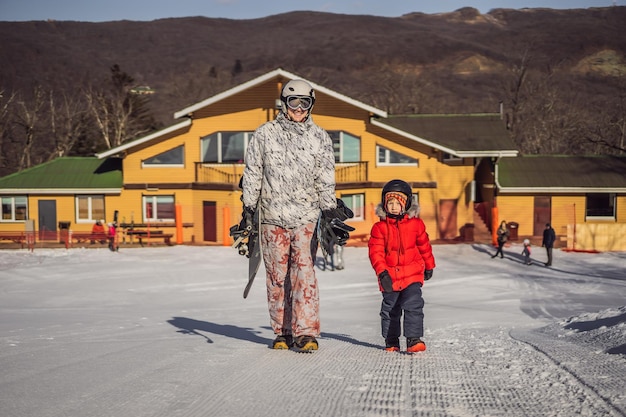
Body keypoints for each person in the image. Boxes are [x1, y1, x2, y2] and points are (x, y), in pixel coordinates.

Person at [241, 79, 344, 352]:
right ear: (284, 104)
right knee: (277, 275)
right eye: (293, 102)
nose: (298, 108)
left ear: (311, 105)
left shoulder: (319, 137)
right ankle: (282, 332)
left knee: (304, 274)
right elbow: (252, 172)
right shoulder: (265, 134)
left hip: (306, 216)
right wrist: (249, 207)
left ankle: (306, 332)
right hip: (272, 215)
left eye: (304, 103)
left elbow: (325, 177)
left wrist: (329, 208)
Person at [368, 180, 436, 353]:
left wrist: (429, 265)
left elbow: (424, 246)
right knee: (390, 309)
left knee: (413, 304)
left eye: (398, 203)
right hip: (389, 276)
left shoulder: (416, 225)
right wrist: (382, 273)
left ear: (406, 204)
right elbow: (375, 252)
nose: (393, 207)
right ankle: (391, 340)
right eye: (389, 203)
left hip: (412, 274)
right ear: (384, 204)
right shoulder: (379, 228)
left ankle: (414, 340)